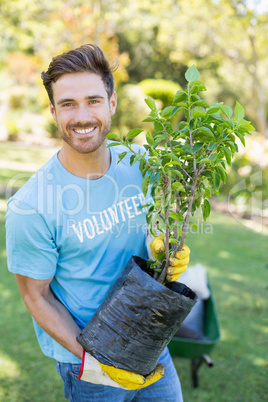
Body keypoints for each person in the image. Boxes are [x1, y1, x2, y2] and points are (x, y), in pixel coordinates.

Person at [5, 44, 190, 401]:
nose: (82, 116)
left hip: (150, 336)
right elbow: (36, 296)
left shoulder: (140, 163)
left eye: (93, 100)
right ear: (53, 112)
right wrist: (95, 360)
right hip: (86, 360)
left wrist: (165, 249)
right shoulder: (31, 206)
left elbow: (153, 228)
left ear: (112, 103)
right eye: (68, 104)